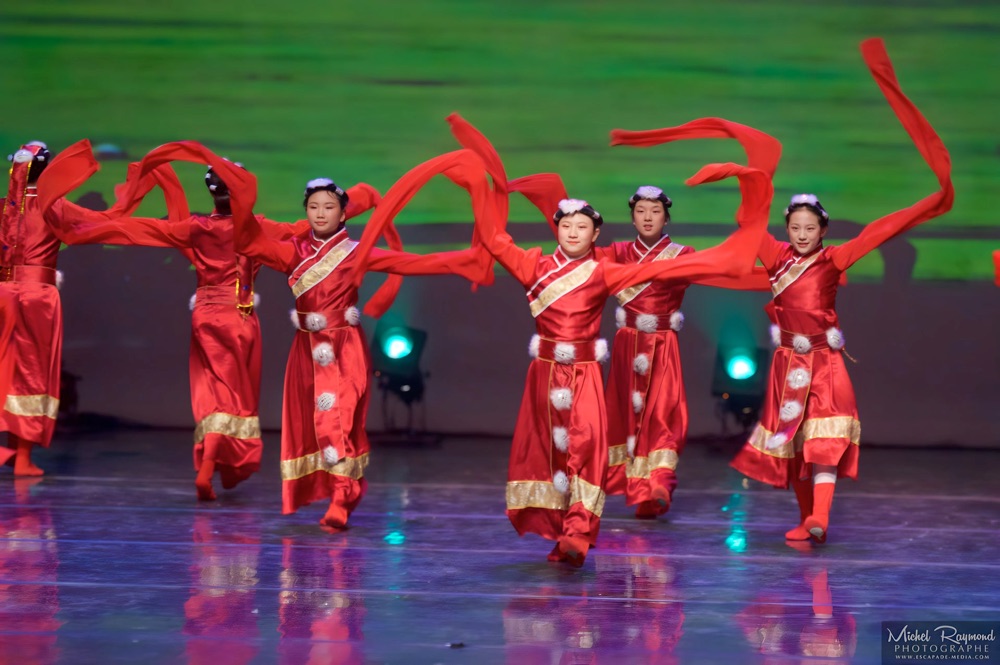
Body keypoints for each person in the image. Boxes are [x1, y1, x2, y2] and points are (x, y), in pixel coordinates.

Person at [727, 39, 953, 543]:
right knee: (794, 446)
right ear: (788, 228)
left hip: (825, 365)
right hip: (788, 364)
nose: (802, 233)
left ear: (822, 230)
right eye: (796, 226)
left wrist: (924, 205)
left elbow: (879, 231)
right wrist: (743, 175)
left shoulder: (834, 258)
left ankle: (820, 520)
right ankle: (806, 520)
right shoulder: (774, 255)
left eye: (810, 226)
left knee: (825, 441)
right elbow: (748, 221)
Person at [474, 184, 768, 566]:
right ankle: (562, 529)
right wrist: (477, 183)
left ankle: (580, 531)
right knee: (548, 455)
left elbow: (672, 268)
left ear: (596, 235)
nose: (574, 232)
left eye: (583, 227)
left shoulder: (603, 271)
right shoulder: (535, 266)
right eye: (566, 226)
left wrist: (740, 257)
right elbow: (496, 241)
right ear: (557, 230)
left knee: (587, 446)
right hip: (543, 379)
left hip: (586, 377)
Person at [234, 149, 492, 531]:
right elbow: (249, 243)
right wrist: (238, 196)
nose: (320, 214)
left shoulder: (356, 253)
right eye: (313, 207)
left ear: (343, 213)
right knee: (317, 421)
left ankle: (342, 495)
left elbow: (414, 263)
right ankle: (345, 487)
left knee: (336, 417)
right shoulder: (292, 254)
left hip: (344, 346)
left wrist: (465, 259)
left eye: (328, 207)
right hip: (306, 349)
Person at [37, 141, 292, 501]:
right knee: (233, 397)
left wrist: (82, 229)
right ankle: (220, 468)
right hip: (239, 317)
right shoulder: (258, 228)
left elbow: (134, 230)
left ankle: (213, 467)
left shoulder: (194, 228)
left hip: (205, 316)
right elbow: (302, 235)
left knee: (212, 395)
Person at [0, 141, 62, 476]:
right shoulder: (54, 207)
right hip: (36, 297)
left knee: (6, 372)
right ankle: (21, 458)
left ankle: (19, 457)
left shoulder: (5, 208)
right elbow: (95, 225)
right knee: (29, 374)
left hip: (3, 293)